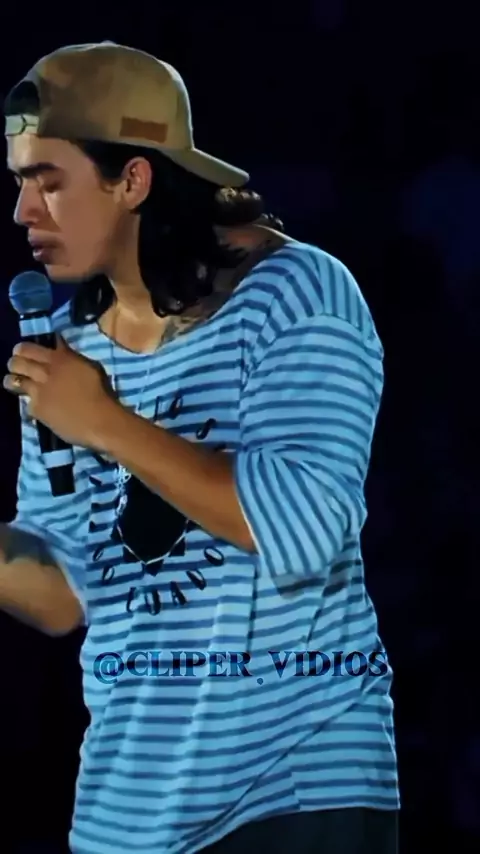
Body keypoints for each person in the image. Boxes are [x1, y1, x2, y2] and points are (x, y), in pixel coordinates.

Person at [1, 42, 399, 854]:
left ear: (133, 179)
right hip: (128, 817)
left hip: (290, 791)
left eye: (49, 180)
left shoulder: (298, 292)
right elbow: (61, 594)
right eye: (18, 181)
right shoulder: (71, 346)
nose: (22, 211)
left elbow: (300, 530)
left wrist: (102, 421)